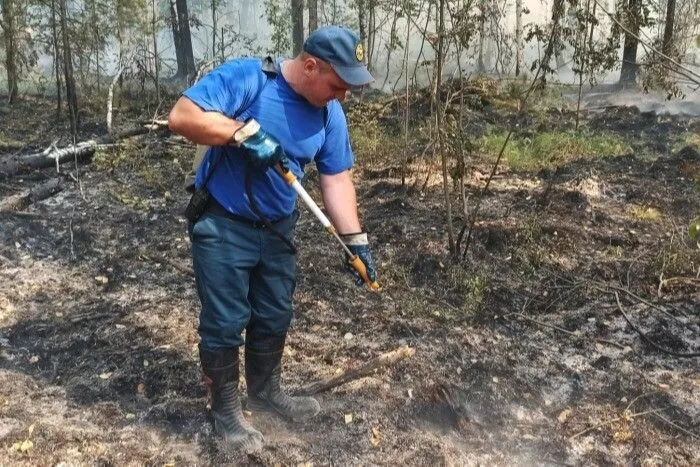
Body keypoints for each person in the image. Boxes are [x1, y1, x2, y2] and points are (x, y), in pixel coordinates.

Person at [167, 25, 379, 451]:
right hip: (224, 222)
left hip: (278, 228)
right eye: (338, 85)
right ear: (310, 65)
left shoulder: (330, 114)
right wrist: (240, 133)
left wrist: (355, 239)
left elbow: (336, 180)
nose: (343, 95)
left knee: (274, 312)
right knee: (226, 321)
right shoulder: (249, 80)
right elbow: (182, 118)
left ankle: (265, 392)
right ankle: (225, 411)